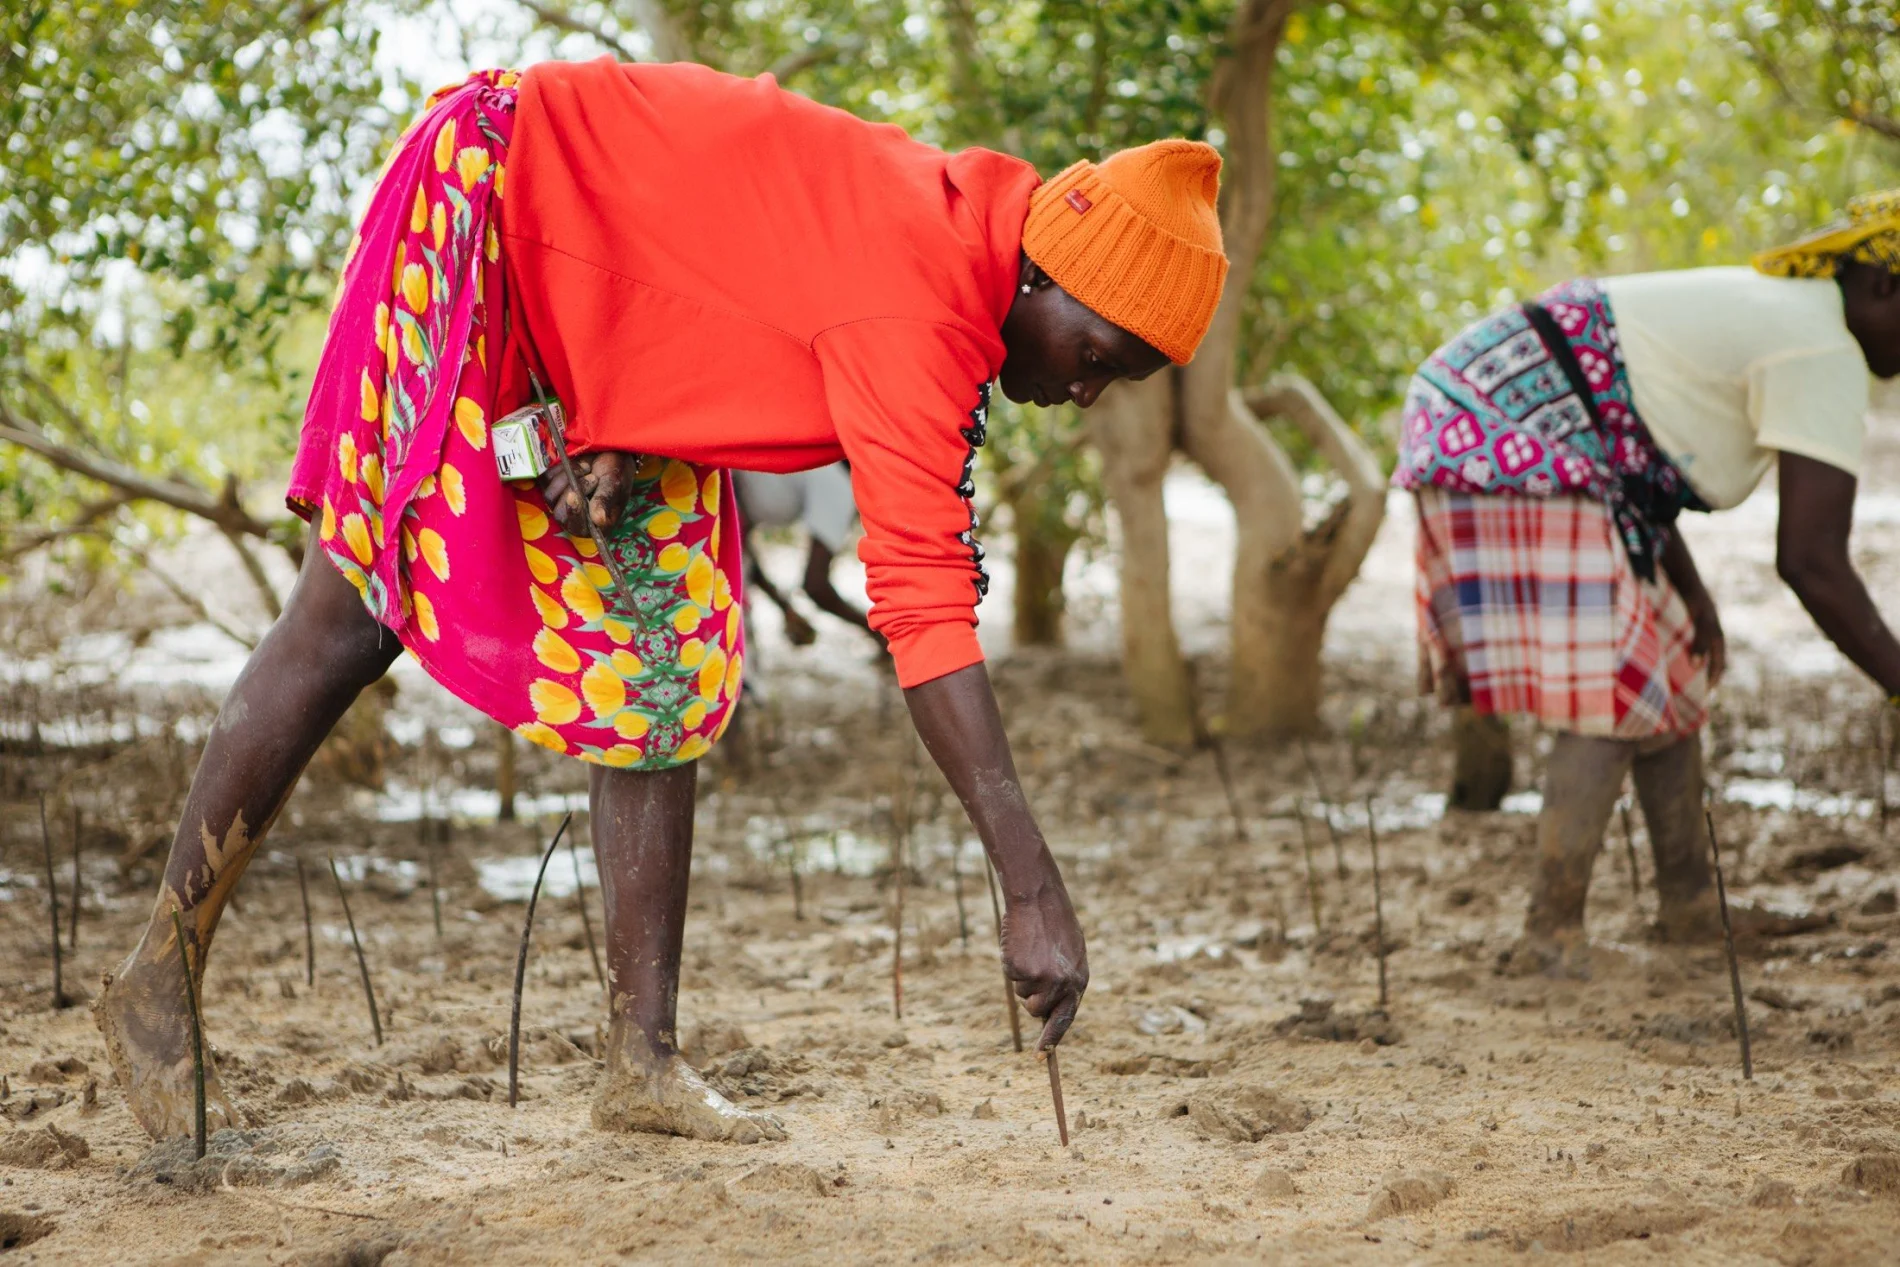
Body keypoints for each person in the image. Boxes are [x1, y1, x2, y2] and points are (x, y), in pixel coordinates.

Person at [94, 61, 1228, 1143]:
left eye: (1111, 381)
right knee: (352, 615)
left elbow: (711, 255)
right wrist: (1029, 889)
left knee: (662, 662)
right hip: (488, 201)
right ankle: (158, 984)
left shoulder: (970, 248)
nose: (1081, 392)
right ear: (1041, 275)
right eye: (1095, 354)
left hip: (597, 296)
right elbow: (922, 608)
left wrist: (616, 408)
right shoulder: (925, 299)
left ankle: (643, 1062)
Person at [1395, 190, 1900, 976]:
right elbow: (1812, 562)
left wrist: (1689, 592)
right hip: (1501, 430)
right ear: (1885, 289)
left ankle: (1690, 907)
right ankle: (1549, 937)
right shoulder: (1818, 345)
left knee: (1668, 664)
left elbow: (1628, 436)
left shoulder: (1794, 316)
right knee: (1610, 693)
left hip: (1507, 421)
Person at [733, 463, 881, 651]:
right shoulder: (839, 487)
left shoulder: (824, 468)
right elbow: (815, 586)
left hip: (715, 490)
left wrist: (785, 607)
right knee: (738, 653)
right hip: (713, 495)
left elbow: (741, 552)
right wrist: (876, 632)